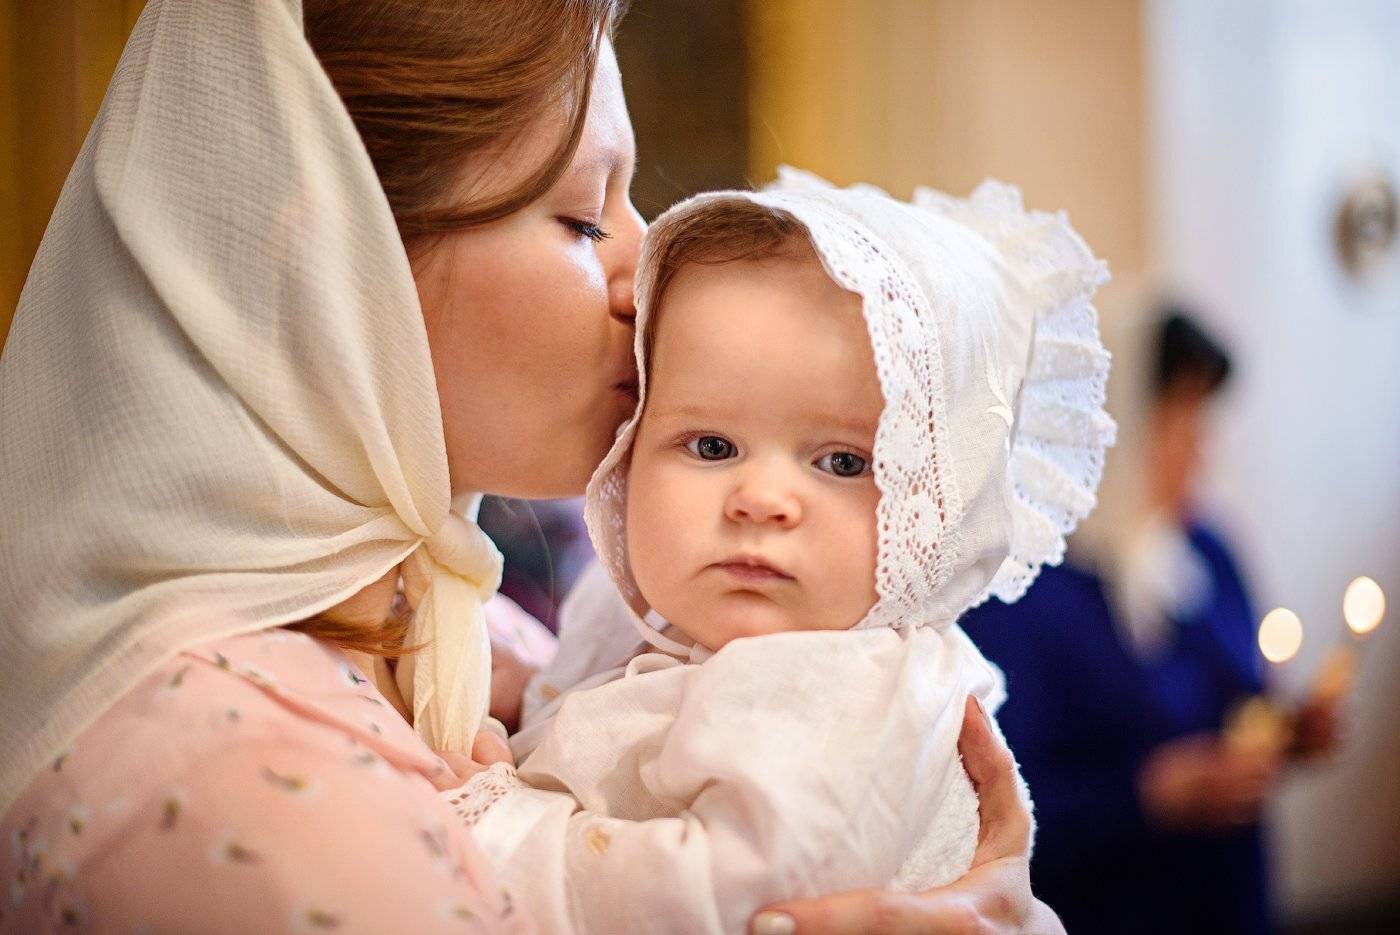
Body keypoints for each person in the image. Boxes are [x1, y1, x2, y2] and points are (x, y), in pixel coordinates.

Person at [0, 1, 1060, 931]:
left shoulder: (453, 619)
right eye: (580, 216)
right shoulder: (242, 793)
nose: (642, 277)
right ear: (327, 261)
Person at [453, 169, 1116, 934]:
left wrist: (502, 824)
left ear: (940, 505)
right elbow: (635, 729)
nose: (760, 498)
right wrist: (542, 692)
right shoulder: (668, 621)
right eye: (711, 444)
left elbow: (728, 900)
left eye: (842, 462)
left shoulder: (850, 686)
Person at [961, 310, 1342, 934]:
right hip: (1116, 906)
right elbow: (998, 805)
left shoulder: (1208, 553)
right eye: (1182, 415)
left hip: (1231, 896)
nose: (1203, 444)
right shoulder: (1027, 590)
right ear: (1112, 423)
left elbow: (1242, 704)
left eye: (1205, 416)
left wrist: (1290, 730)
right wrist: (1145, 797)